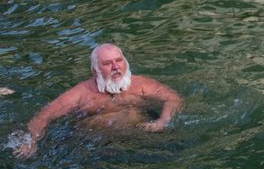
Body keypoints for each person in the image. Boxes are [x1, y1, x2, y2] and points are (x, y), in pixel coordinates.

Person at [13, 43, 182, 158]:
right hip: (98, 147)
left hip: (141, 137)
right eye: (107, 63)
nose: (116, 67)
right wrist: (31, 142)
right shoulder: (80, 94)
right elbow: (44, 116)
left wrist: (162, 121)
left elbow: (172, 98)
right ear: (95, 71)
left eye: (119, 61)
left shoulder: (141, 84)